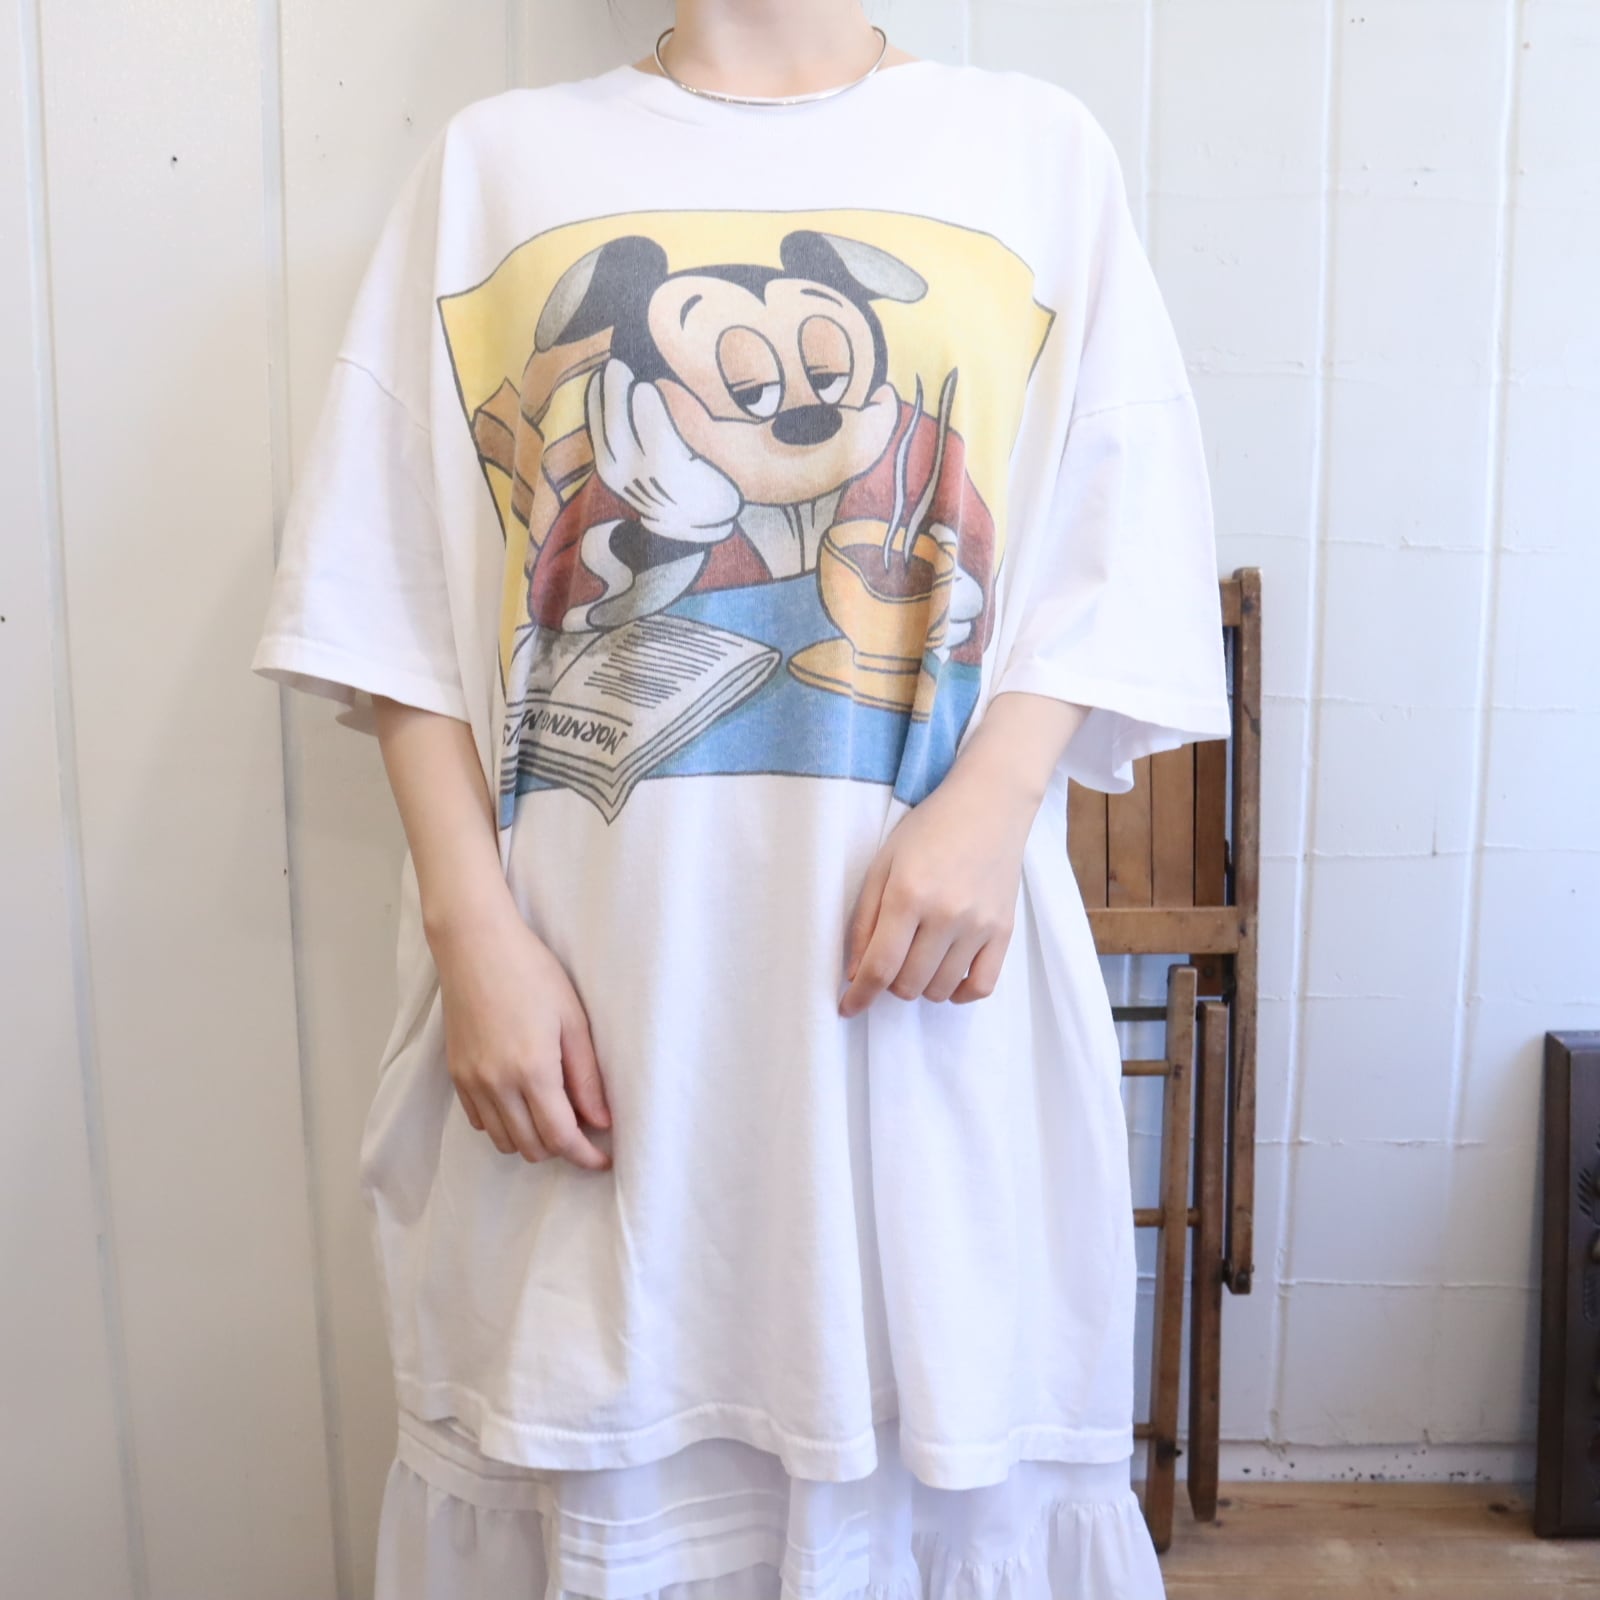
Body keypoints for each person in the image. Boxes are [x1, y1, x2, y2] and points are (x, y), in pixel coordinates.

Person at [250, 3, 1232, 1595]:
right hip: (595, 996)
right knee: (595, 1421)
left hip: (915, 1007)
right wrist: (471, 935)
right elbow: (390, 595)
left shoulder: (1033, 151)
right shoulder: (499, 166)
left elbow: (1122, 540)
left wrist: (992, 803)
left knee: (928, 1429)